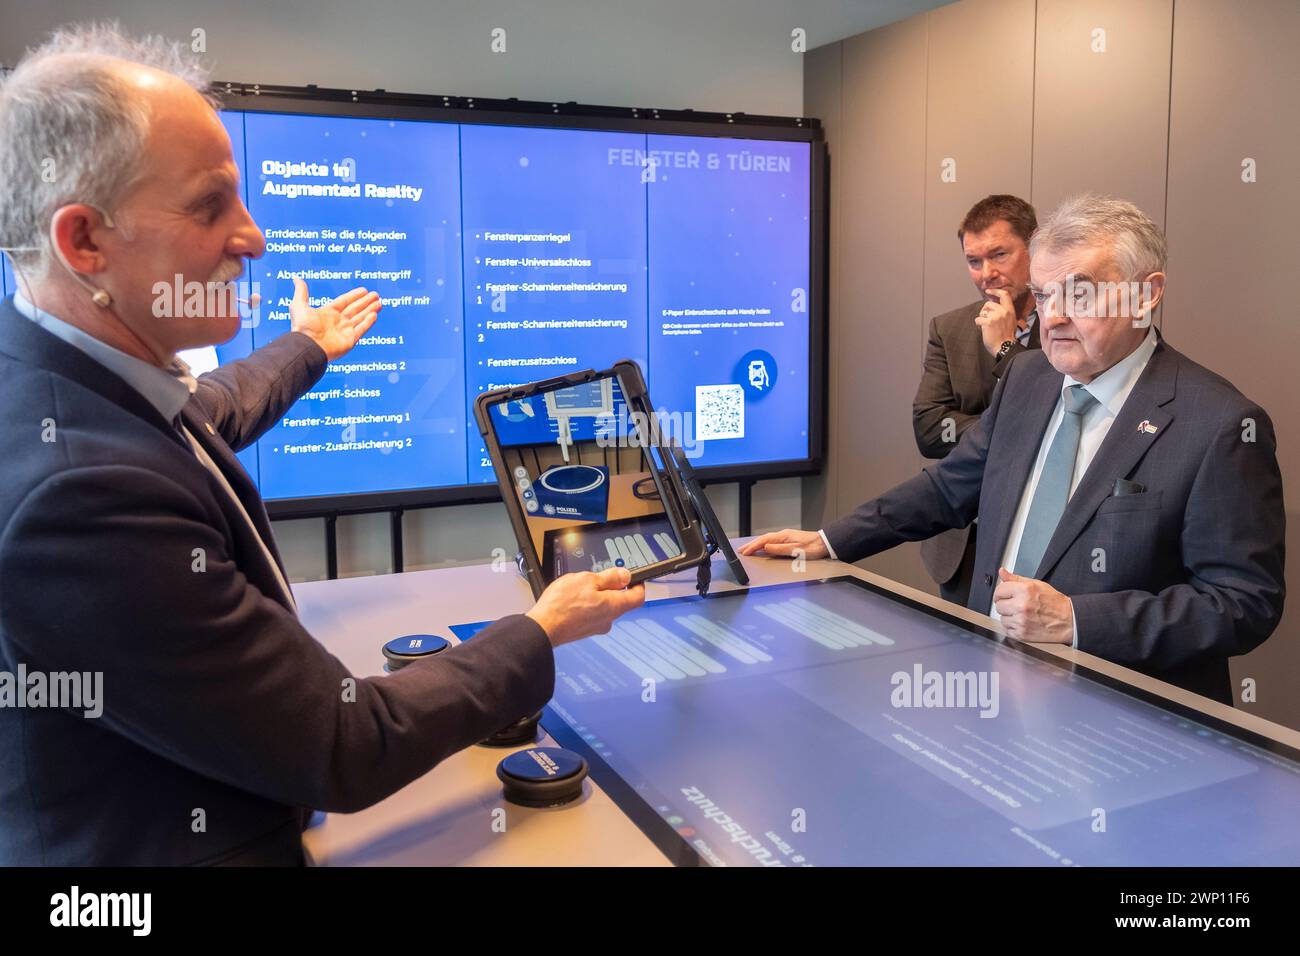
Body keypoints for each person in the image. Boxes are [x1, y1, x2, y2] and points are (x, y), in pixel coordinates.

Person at [0, 23, 642, 865]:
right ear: (83, 242)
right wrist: (541, 631)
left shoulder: (79, 384)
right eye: (209, 204)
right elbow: (342, 743)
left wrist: (308, 345)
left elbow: (214, 410)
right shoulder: (77, 495)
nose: (253, 237)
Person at [742, 195, 1285, 705]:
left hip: (1121, 714)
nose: (1053, 318)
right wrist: (830, 540)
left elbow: (1242, 604)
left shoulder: (1219, 424)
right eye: (1046, 295)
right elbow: (950, 488)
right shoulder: (1028, 377)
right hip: (993, 685)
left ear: (1146, 295)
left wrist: (1076, 621)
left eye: (1080, 294)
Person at [913, 195, 1041, 605]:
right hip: (964, 541)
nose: (987, 274)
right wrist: (1002, 428)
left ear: (1034, 248)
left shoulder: (1068, 325)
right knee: (963, 665)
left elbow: (1054, 417)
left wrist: (1006, 348)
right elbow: (930, 430)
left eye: (999, 255)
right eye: (974, 261)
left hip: (1041, 535)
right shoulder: (949, 329)